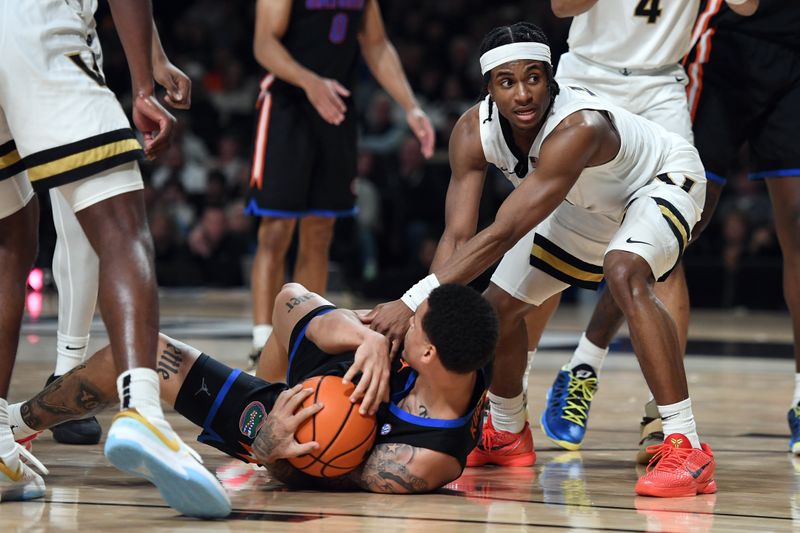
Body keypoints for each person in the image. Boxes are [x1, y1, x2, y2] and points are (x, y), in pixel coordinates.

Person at [369, 22, 714, 497]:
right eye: (507, 82)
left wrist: (407, 303)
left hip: (659, 184)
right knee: (493, 311)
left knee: (624, 272)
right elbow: (456, 237)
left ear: (552, 78)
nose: (524, 93)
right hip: (582, 208)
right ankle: (507, 432)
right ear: (488, 88)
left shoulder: (579, 126)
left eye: (534, 77)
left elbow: (503, 232)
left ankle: (686, 445)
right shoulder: (472, 131)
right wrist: (427, 319)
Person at [0, 0, 229, 517]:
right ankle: (143, 409)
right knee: (122, 225)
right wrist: (143, 84)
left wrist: (154, 54)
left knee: (9, 240)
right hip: (37, 24)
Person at [533, 0, 759, 461]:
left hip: (660, 87)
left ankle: (662, 417)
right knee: (549, 239)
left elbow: (747, 6)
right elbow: (562, 6)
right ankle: (506, 405)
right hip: (586, 78)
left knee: (664, 253)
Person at [10, 282, 498, 494]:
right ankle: (16, 422)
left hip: (295, 434)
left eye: (415, 325)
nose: (404, 322)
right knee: (292, 301)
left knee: (136, 351)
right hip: (334, 382)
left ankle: (256, 410)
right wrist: (368, 337)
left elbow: (310, 475)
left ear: (428, 354)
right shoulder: (453, 350)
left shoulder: (423, 460)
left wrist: (266, 450)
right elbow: (292, 299)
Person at [245, 0, 435, 369]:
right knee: (275, 231)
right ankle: (260, 341)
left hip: (335, 109)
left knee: (320, 231)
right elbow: (264, 44)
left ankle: (300, 338)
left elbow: (376, 45)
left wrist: (411, 107)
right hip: (288, 108)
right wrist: (309, 82)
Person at [47, 7, 192, 446]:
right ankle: (74, 379)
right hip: (52, 48)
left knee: (26, 229)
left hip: (34, 43)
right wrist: (145, 81)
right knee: (107, 217)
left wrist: (155, 58)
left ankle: (61, 380)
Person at [683, 0, 800, 454]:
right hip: (724, 51)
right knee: (679, 222)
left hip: (793, 58)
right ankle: (589, 362)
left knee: (796, 224)